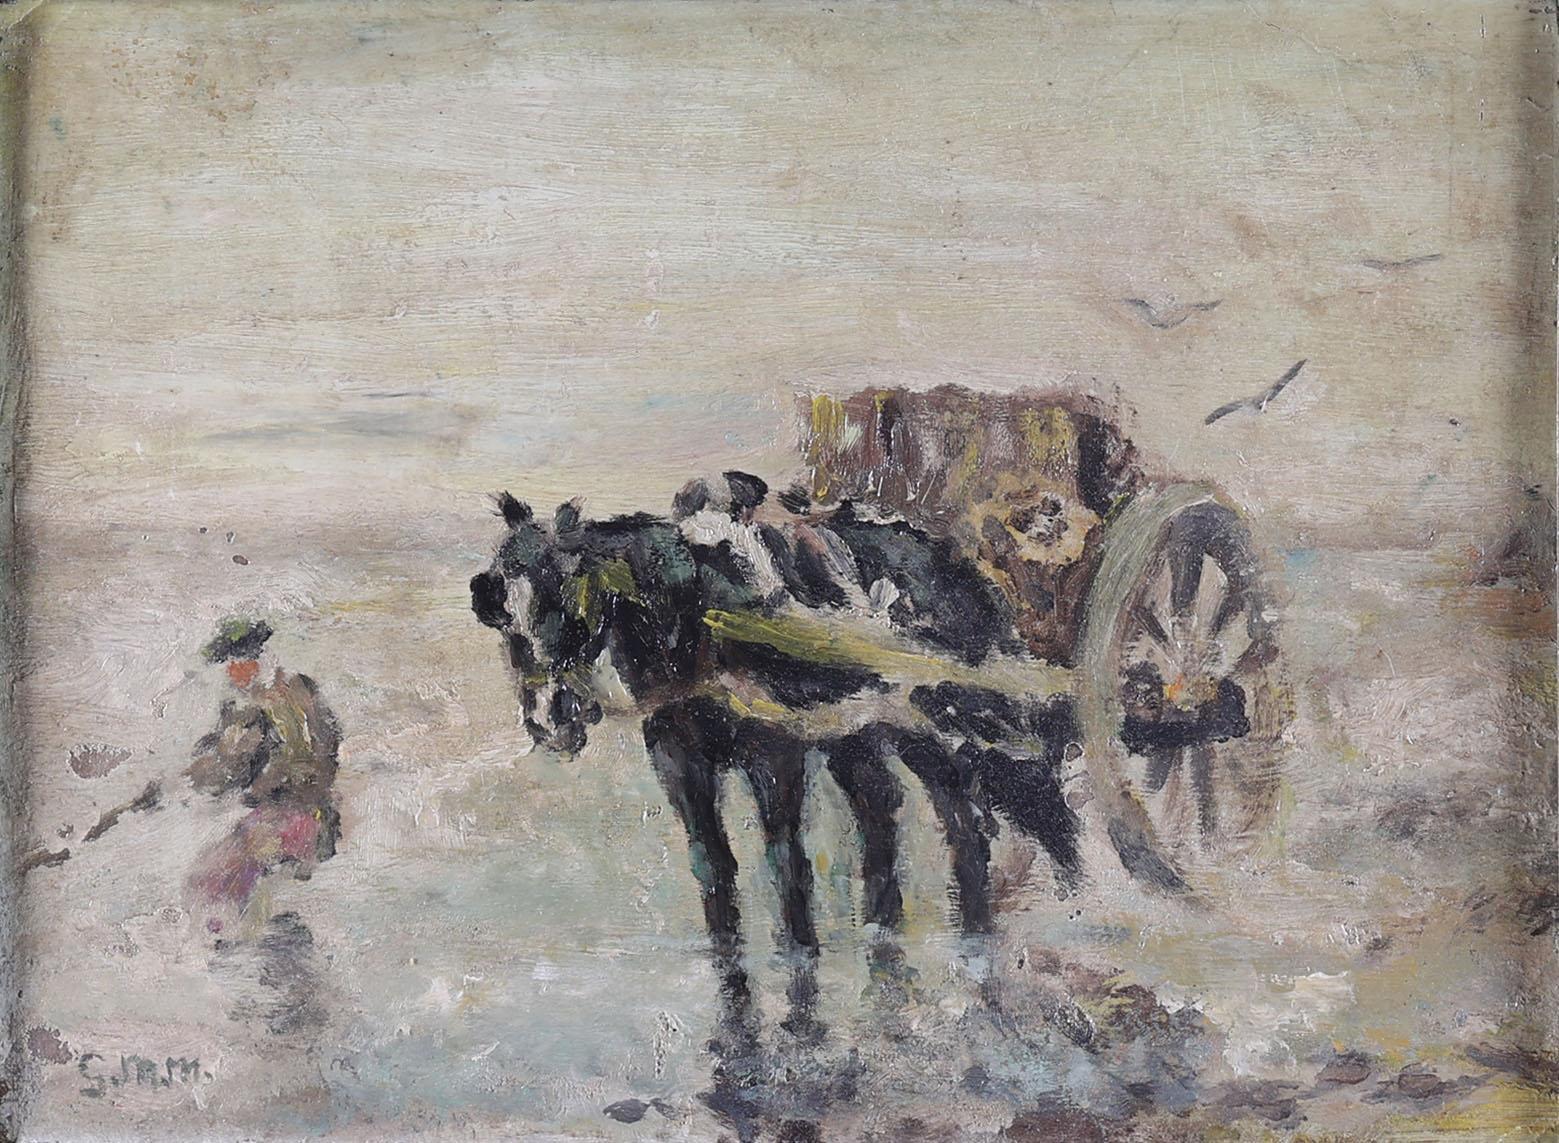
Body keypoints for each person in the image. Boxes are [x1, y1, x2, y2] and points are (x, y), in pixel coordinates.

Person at [184, 618, 343, 938]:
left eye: (237, 664)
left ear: (255, 661)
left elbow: (325, 751)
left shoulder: (291, 695)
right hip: (279, 811)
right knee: (216, 865)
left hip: (302, 815)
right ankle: (233, 931)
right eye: (229, 666)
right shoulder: (246, 707)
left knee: (224, 868)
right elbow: (223, 771)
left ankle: (238, 935)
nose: (231, 673)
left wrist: (263, 785)